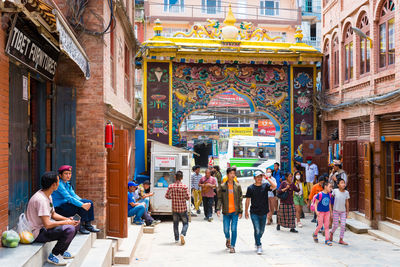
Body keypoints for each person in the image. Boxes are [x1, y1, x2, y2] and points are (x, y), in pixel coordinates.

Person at [26, 171, 80, 266]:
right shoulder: (41, 200)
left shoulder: (48, 195)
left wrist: (68, 219)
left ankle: (62, 252)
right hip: (38, 233)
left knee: (75, 224)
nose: (59, 184)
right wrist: (66, 222)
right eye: (58, 181)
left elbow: (53, 214)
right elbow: (47, 224)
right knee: (69, 228)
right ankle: (54, 255)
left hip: (44, 228)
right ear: (54, 184)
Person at [52, 165, 100, 235]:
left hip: (66, 205)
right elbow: (69, 197)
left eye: (69, 173)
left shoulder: (67, 184)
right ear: (60, 175)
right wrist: (82, 204)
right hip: (59, 208)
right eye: (66, 174)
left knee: (89, 202)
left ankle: (88, 224)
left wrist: (83, 202)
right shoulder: (59, 184)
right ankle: (80, 225)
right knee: (80, 206)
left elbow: (74, 195)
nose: (68, 175)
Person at [245, 170, 276, 255]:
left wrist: (267, 178)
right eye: (257, 177)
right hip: (254, 212)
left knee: (261, 230)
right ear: (254, 178)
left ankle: (257, 240)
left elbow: (275, 186)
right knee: (257, 229)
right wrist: (246, 211)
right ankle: (259, 245)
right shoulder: (250, 188)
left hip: (263, 212)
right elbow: (247, 200)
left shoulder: (265, 186)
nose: (259, 178)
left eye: (260, 177)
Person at [216, 167, 243, 254]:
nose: (232, 175)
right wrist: (218, 209)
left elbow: (240, 198)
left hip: (235, 212)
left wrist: (241, 210)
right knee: (226, 230)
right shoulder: (223, 186)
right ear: (227, 175)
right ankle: (228, 238)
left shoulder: (238, 186)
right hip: (226, 212)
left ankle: (232, 246)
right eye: (231, 173)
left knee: (234, 229)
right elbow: (219, 198)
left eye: (234, 174)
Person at [165, 171, 190, 245]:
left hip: (175, 208)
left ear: (175, 177)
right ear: (182, 178)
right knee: (185, 223)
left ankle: (176, 239)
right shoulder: (184, 187)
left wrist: (172, 197)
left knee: (175, 224)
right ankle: (182, 234)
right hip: (183, 208)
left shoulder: (171, 186)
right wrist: (184, 197)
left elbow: (166, 196)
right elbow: (188, 197)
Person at [330, 178, 350, 245]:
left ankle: (341, 239)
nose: (343, 184)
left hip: (343, 212)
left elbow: (347, 202)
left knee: (343, 225)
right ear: (338, 184)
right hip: (335, 211)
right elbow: (331, 200)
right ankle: (331, 233)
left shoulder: (346, 193)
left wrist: (347, 212)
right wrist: (330, 210)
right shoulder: (335, 191)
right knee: (335, 225)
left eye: (344, 183)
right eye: (341, 183)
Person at [312, 181, 333, 246]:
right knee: (320, 225)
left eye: (331, 187)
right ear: (325, 187)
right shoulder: (320, 194)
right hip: (320, 212)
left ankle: (327, 240)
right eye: (330, 187)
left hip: (327, 212)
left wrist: (331, 212)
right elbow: (316, 203)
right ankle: (315, 234)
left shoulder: (329, 195)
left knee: (326, 226)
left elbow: (329, 203)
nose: (331, 188)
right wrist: (316, 211)